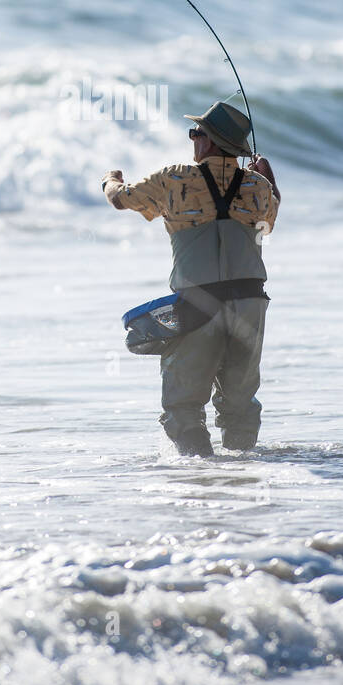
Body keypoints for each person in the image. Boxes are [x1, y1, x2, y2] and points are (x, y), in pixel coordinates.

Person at [102, 101, 280, 457]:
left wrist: (110, 180)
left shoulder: (175, 178)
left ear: (209, 142)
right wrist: (266, 175)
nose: (192, 139)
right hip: (250, 303)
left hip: (200, 303)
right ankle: (242, 469)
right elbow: (271, 217)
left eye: (195, 133)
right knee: (240, 402)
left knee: (182, 406)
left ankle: (202, 471)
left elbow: (122, 201)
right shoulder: (258, 187)